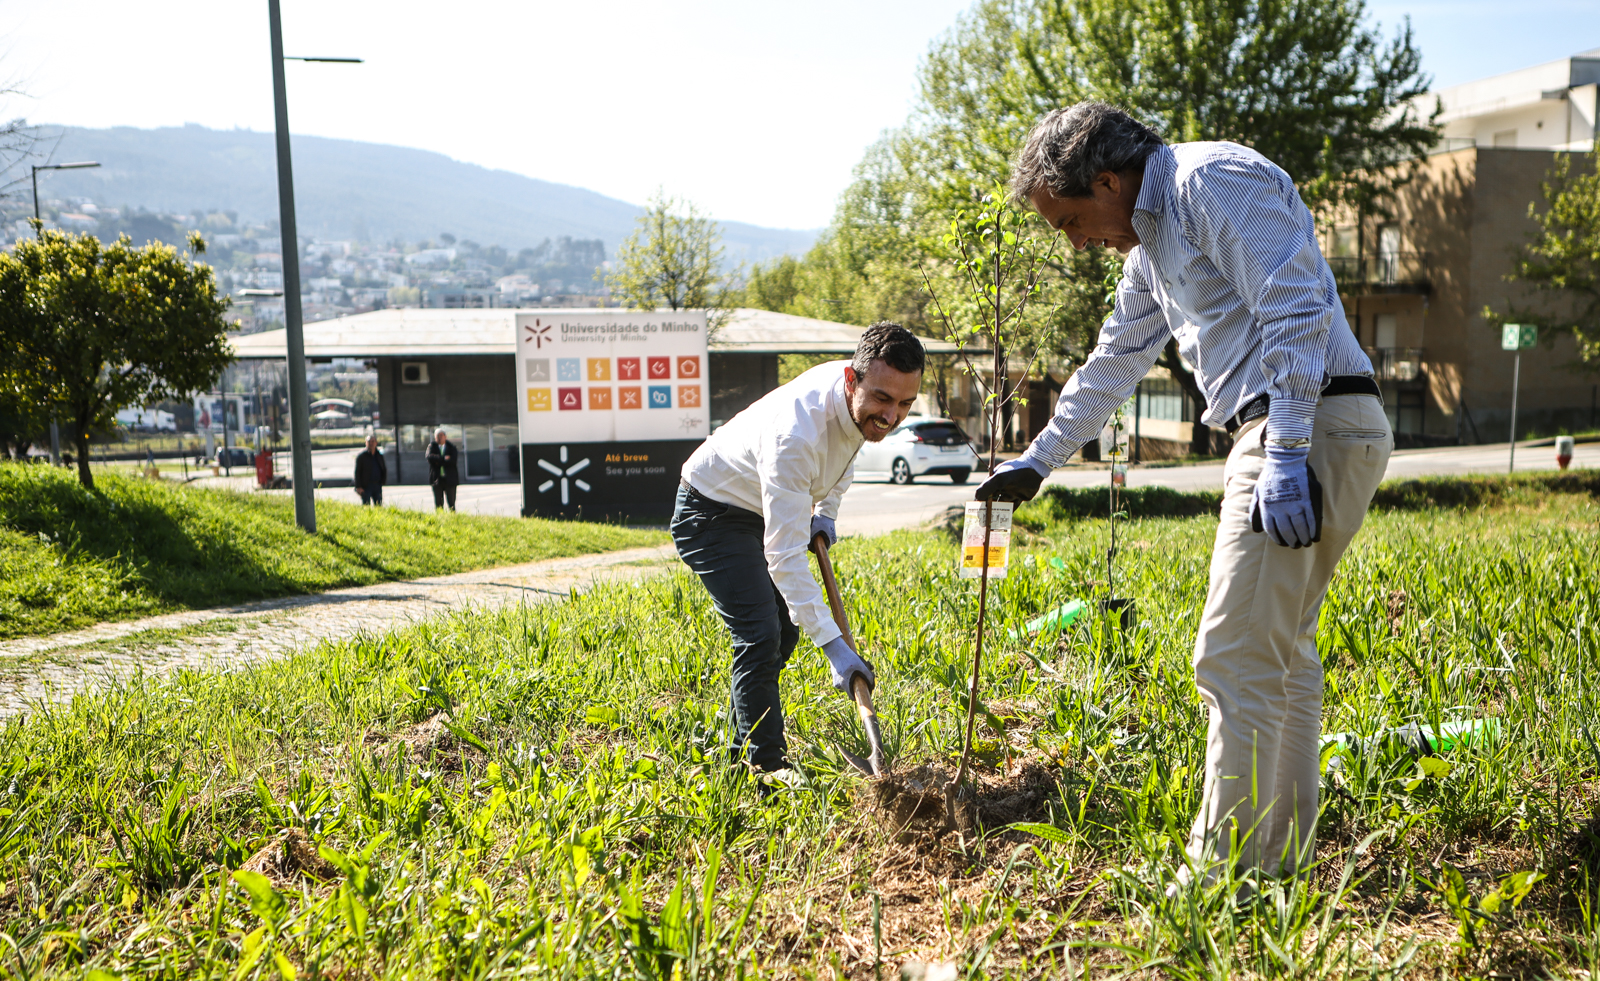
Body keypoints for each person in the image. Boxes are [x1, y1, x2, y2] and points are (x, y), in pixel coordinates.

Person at [977, 103, 1393, 883]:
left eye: (1070, 220)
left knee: (1232, 655)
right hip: (1302, 424)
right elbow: (1115, 360)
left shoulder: (1212, 182)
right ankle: (1280, 860)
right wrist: (1039, 459)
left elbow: (1295, 303)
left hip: (1303, 422)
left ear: (1107, 181)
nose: (1077, 243)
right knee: (1279, 656)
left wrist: (1289, 448)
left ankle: (1218, 877)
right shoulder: (1154, 245)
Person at [673, 322, 925, 783]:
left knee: (784, 633)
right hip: (709, 511)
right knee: (760, 632)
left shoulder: (856, 397)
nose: (892, 417)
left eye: (905, 403)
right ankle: (763, 767)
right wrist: (835, 648)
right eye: (883, 401)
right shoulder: (796, 435)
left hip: (756, 504)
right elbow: (785, 557)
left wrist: (826, 511)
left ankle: (743, 736)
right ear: (852, 380)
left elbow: (844, 454)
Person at [426, 428, 460, 511]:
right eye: (438, 436)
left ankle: (453, 520)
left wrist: (438, 461)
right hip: (437, 479)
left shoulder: (451, 447)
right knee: (438, 504)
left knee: (451, 503)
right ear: (435, 437)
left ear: (445, 436)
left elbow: (453, 461)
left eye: (442, 435)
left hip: (450, 479)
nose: (440, 437)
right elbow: (430, 458)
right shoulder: (432, 447)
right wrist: (444, 458)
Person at [353, 433, 387, 506]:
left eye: (373, 441)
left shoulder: (379, 455)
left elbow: (383, 468)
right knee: (366, 506)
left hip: (377, 485)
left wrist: (383, 481)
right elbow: (357, 472)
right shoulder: (361, 456)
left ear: (376, 443)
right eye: (369, 442)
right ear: (366, 443)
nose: (371, 443)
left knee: (378, 505)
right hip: (366, 486)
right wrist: (358, 487)